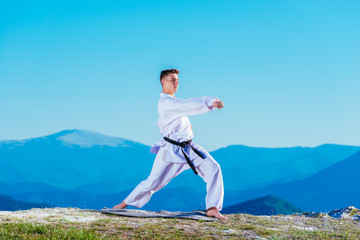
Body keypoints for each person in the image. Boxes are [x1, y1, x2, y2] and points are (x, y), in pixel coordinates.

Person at [113, 69, 227, 220]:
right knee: (153, 182)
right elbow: (188, 106)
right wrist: (209, 102)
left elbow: (179, 114)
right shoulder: (166, 103)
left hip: (189, 148)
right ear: (163, 82)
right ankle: (124, 203)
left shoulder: (173, 102)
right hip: (170, 151)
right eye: (173, 80)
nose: (176, 83)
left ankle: (212, 208)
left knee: (213, 168)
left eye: (178, 80)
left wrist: (187, 128)